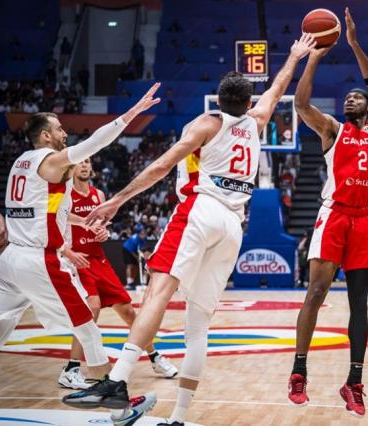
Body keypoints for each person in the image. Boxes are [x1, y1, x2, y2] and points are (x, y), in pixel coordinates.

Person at [61, 34, 316, 425]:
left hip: (201, 210)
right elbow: (278, 87)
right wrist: (295, 56)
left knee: (158, 291)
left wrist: (117, 200)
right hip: (233, 225)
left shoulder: (206, 123)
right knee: (198, 324)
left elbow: (161, 166)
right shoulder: (257, 122)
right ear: (248, 103)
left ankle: (117, 380)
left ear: (219, 100)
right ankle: (179, 418)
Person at [0, 83, 161, 426]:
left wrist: (86, 219)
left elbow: (48, 211)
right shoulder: (50, 161)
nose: (65, 133)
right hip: (39, 261)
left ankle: (114, 402)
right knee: (88, 329)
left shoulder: (20, 162)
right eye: (59, 128)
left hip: (11, 260)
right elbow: (95, 143)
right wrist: (131, 114)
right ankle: (120, 410)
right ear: (45, 136)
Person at [287, 8, 368, 417]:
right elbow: (300, 104)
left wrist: (353, 43)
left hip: (363, 220)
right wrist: (313, 58)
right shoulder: (332, 129)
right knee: (316, 292)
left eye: (357, 97)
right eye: (348, 97)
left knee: (358, 303)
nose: (351, 98)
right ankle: (298, 372)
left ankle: (354, 383)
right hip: (334, 215)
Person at [58, 158, 178, 390]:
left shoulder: (99, 195)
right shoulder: (64, 195)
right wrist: (68, 252)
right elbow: (53, 225)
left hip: (99, 258)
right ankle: (71, 368)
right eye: (80, 162)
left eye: (88, 162)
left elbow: (101, 225)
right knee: (91, 307)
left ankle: (155, 357)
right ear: (71, 168)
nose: (84, 165)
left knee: (129, 312)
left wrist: (103, 232)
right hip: (77, 259)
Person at [122, 224, 147, 289]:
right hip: (127, 249)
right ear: (139, 233)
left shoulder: (143, 238)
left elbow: (142, 249)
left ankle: (132, 282)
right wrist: (137, 258)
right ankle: (129, 283)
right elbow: (132, 252)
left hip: (135, 250)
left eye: (144, 232)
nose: (144, 234)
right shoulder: (135, 239)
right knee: (130, 265)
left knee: (135, 267)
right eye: (142, 233)